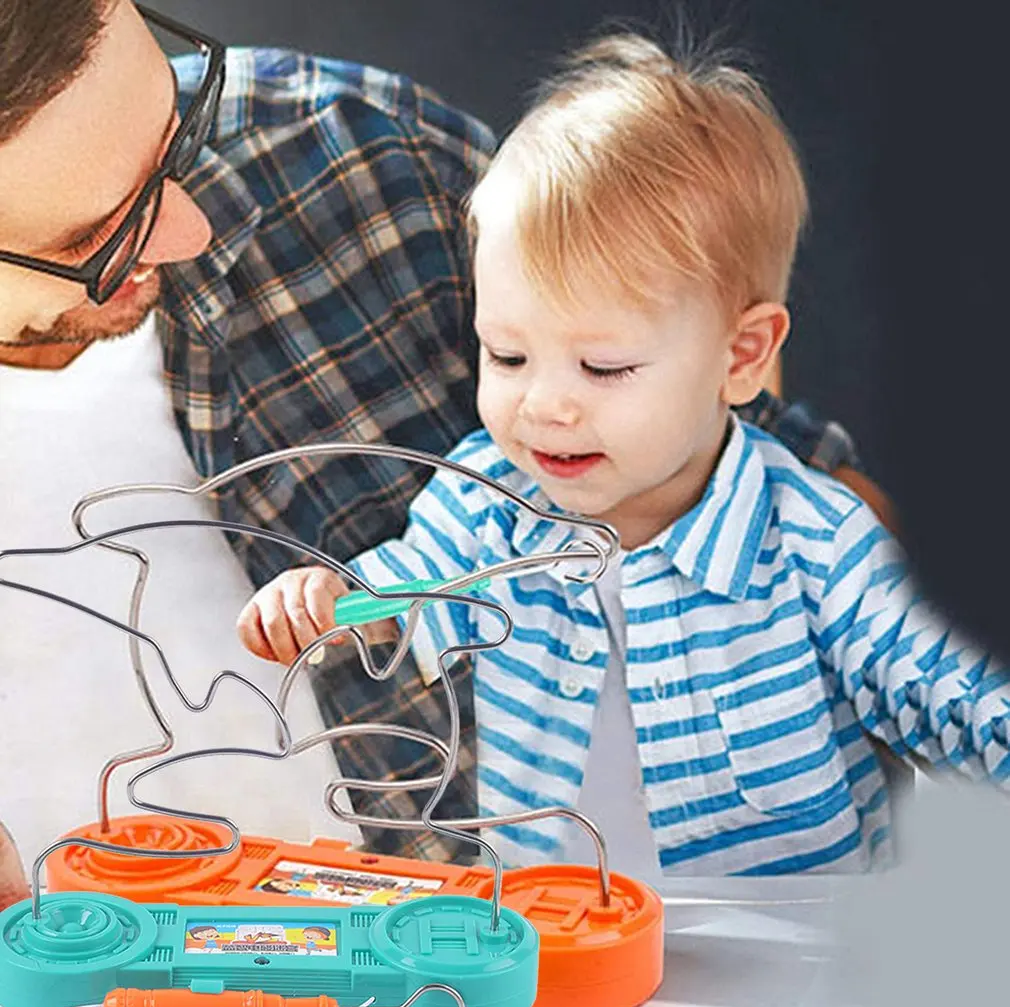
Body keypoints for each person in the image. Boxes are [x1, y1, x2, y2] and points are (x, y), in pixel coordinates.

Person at [0, 0, 872, 886]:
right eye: (94, 236)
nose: (190, 229)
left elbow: (752, 443)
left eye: (174, 136)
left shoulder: (353, 157)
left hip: (523, 925)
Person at [238, 32, 1010, 882]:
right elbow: (403, 592)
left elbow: (955, 693)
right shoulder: (485, 503)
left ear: (742, 357)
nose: (544, 405)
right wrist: (328, 601)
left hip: (786, 945)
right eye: (507, 355)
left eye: (603, 367)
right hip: (561, 929)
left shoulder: (818, 543)